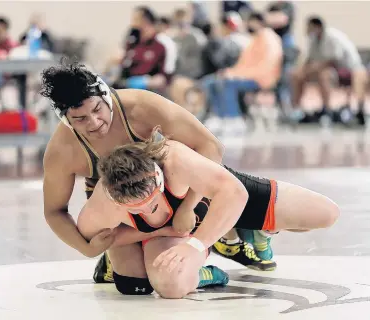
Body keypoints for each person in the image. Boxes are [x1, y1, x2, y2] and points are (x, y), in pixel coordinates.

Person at [40, 59, 276, 286]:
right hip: (122, 205)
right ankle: (128, 257)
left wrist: (189, 206)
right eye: (80, 119)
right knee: (133, 284)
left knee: (281, 211)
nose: (94, 123)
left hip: (170, 189)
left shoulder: (141, 107)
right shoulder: (62, 151)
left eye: (97, 110)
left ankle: (225, 236)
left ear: (105, 95)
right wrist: (86, 247)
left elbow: (210, 146)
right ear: (65, 119)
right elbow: (54, 211)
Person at [79, 128, 339, 298]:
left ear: (158, 178)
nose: (148, 209)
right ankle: (205, 272)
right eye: (138, 209)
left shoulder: (175, 159)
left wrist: (195, 242)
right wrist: (165, 230)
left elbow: (235, 193)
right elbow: (96, 240)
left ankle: (245, 229)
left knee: (325, 214)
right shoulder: (104, 204)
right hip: (170, 234)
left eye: (153, 203)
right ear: (117, 201)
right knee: (171, 286)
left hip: (213, 199)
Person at [290, 16, 368, 126]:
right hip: (328, 69)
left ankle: (327, 110)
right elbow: (308, 59)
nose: (307, 31)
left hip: (347, 69)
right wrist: (301, 69)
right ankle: (296, 110)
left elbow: (332, 61)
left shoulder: (333, 37)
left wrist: (313, 68)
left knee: (324, 75)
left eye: (309, 28)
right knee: (297, 75)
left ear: (318, 27)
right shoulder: (313, 40)